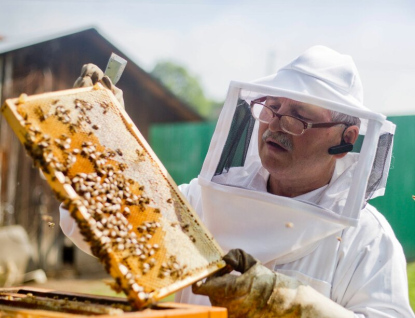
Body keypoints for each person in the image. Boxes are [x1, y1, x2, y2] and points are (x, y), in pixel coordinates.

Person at [60, 46, 415, 317]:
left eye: (299, 117)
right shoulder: (206, 198)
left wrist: (288, 302)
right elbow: (105, 231)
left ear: (346, 138)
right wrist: (102, 140)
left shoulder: (366, 240)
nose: (275, 124)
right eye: (272, 107)